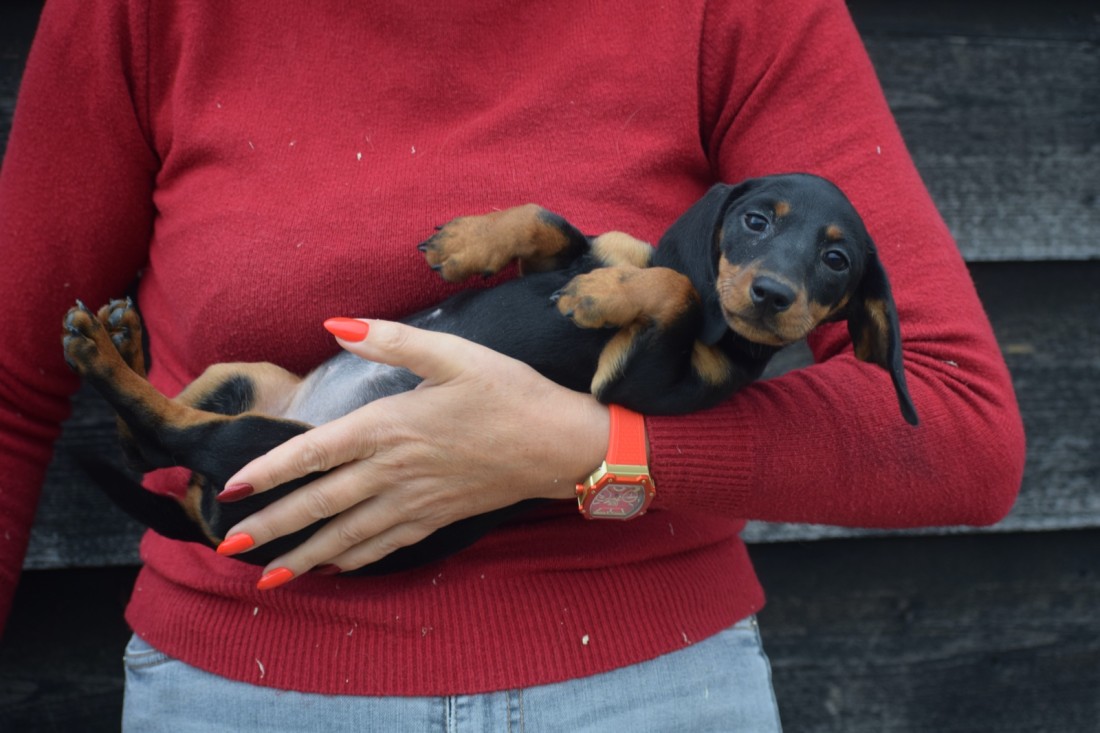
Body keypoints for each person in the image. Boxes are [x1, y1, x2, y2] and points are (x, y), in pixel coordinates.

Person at [0, 0, 1025, 730]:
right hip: (251, 679)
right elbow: (9, 390)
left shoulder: (737, 14)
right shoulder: (145, 15)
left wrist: (582, 450)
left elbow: (960, 426)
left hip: (652, 690)